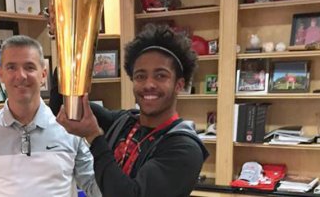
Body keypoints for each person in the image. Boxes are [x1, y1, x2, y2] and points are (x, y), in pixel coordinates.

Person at [53, 23, 209, 197]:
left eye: (160, 75)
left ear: (179, 85)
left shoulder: (184, 148)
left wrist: (94, 137)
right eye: (140, 76)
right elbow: (63, 104)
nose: (149, 84)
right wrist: (66, 43)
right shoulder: (124, 122)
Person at [0, 35, 100, 197]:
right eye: (11, 67)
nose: (21, 76)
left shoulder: (70, 130)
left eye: (29, 67)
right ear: (1, 74)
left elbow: (94, 187)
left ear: (43, 74)